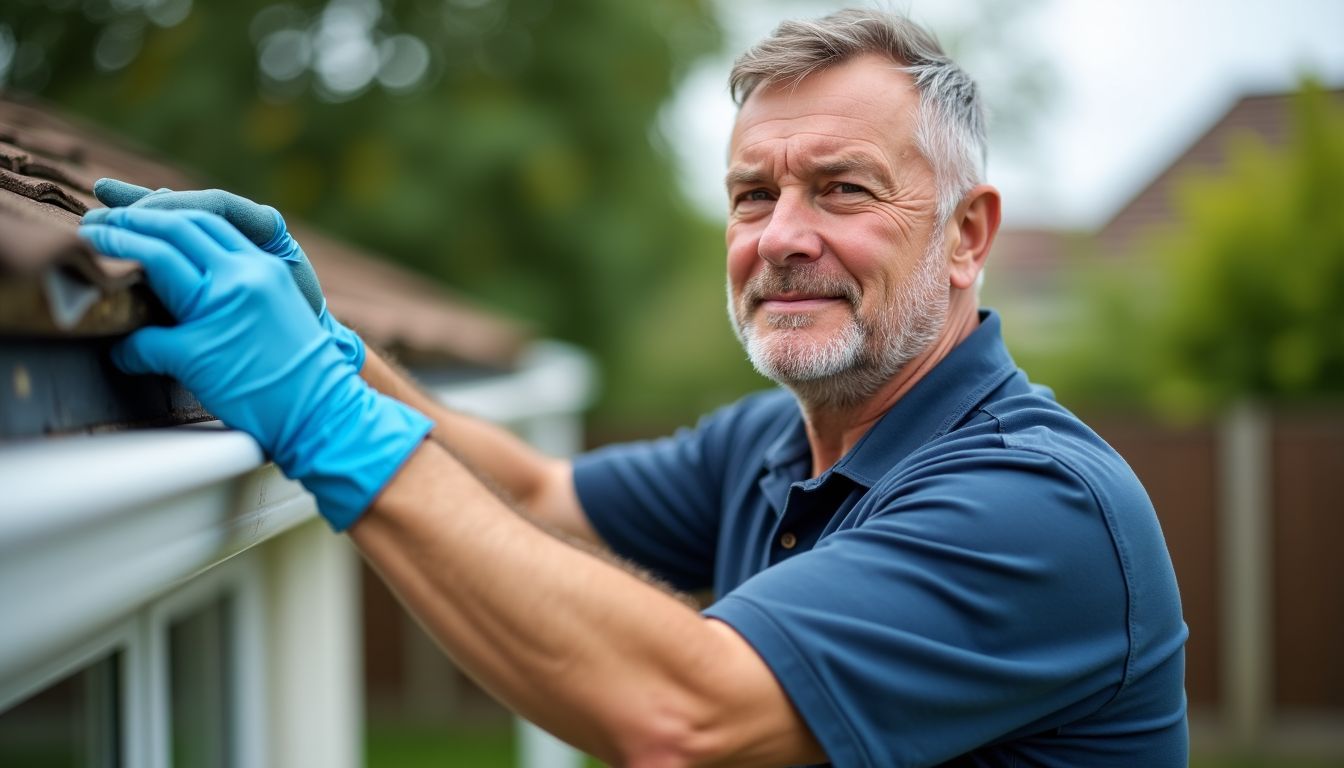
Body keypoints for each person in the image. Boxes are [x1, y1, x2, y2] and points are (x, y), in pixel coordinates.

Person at [79, 8, 1188, 767]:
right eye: (753, 196)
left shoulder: (1038, 507)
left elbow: (681, 715)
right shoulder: (774, 444)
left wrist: (318, 410)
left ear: (966, 235)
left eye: (843, 189)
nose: (784, 237)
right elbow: (530, 492)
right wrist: (330, 343)